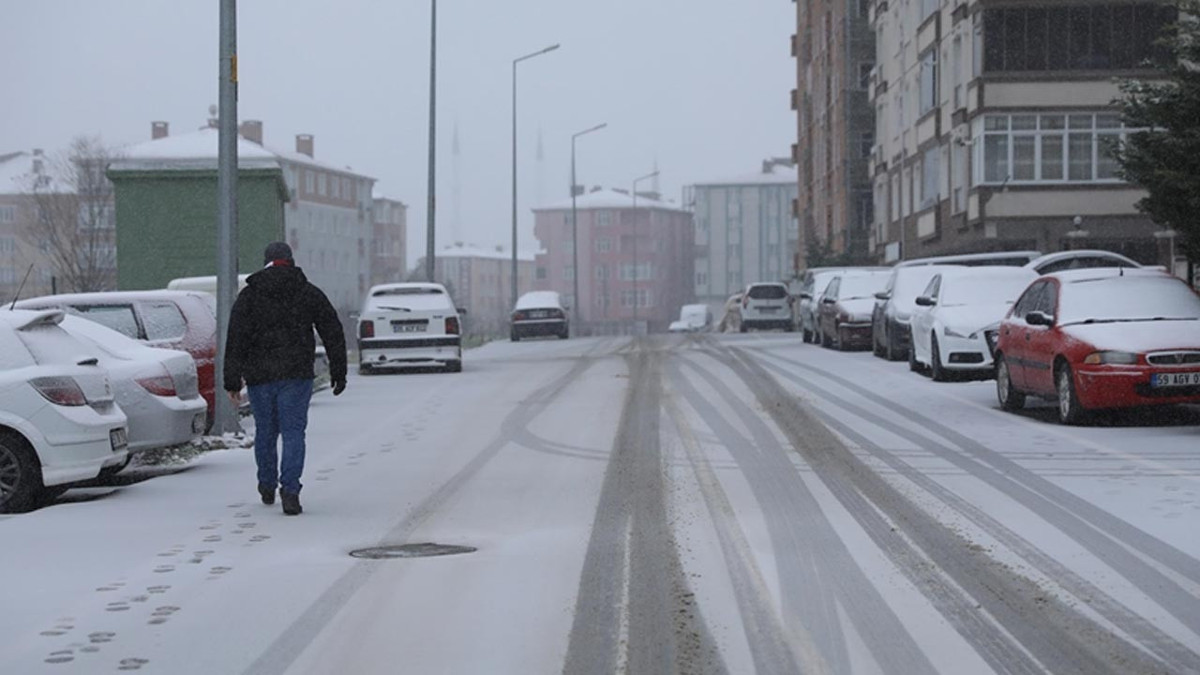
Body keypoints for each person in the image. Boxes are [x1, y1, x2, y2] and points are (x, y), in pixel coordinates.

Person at [224, 242, 348, 515]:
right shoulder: (307, 291)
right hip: (296, 374)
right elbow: (331, 328)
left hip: (259, 375)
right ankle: (290, 491)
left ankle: (266, 484)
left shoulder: (251, 295)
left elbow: (236, 337)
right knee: (293, 433)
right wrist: (338, 370)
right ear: (290, 260)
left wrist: (232, 379)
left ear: (266, 261)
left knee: (266, 432)